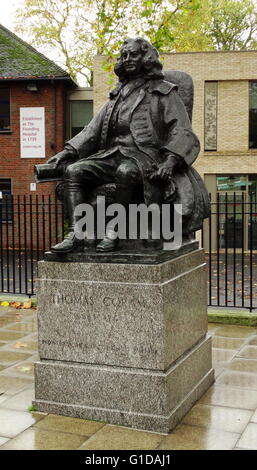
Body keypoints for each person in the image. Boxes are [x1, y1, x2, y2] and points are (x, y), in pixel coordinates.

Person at [45, 37, 209, 253]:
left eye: (133, 54)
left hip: (145, 158)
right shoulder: (117, 95)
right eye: (124, 56)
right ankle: (77, 232)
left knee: (125, 172)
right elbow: (92, 131)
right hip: (111, 155)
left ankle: (114, 230)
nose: (128, 59)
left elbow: (182, 131)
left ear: (146, 58)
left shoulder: (164, 91)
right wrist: (66, 153)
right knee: (73, 171)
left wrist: (170, 161)